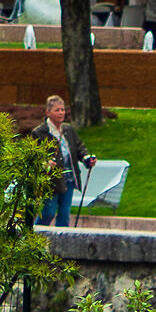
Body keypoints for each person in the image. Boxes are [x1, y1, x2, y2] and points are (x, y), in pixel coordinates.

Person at [28, 95, 92, 228]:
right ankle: (34, 237)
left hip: (69, 179)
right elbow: (34, 156)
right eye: (57, 110)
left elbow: (79, 148)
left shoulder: (68, 130)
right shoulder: (39, 132)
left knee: (64, 215)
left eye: (63, 110)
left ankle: (62, 243)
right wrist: (45, 163)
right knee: (48, 213)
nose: (61, 113)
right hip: (51, 180)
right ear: (48, 112)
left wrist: (87, 158)